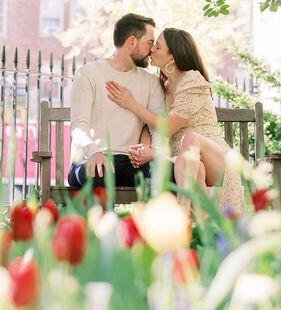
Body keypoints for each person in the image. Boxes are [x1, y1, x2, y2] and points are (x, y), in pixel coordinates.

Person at [105, 27, 245, 216]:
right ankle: (204, 222)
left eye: (158, 47)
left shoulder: (192, 81)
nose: (152, 49)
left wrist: (132, 104)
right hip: (184, 161)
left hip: (215, 158)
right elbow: (149, 125)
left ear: (172, 58)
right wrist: (144, 150)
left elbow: (168, 127)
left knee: (190, 139)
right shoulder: (162, 86)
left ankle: (182, 211)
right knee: (195, 167)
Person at [67, 13, 166, 190]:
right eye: (149, 43)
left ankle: (155, 218)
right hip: (91, 159)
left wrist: (155, 153)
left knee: (167, 171)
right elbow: (78, 126)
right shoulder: (88, 74)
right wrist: (94, 153)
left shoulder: (150, 81)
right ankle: (103, 219)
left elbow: (157, 127)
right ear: (131, 42)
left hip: (132, 163)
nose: (152, 50)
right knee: (99, 172)